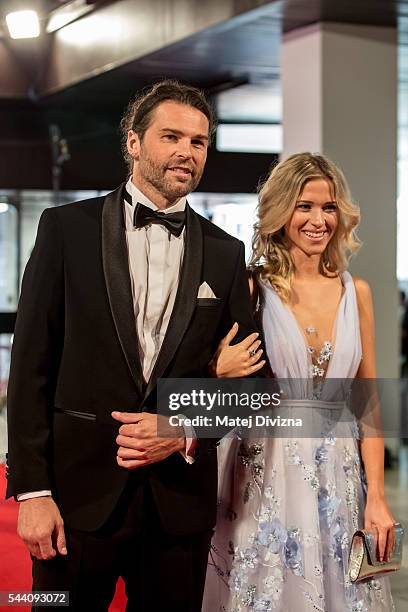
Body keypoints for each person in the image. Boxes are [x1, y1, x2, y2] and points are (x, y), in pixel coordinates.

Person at [5, 80, 265, 611]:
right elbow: (32, 367)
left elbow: (253, 388)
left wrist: (184, 427)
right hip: (74, 503)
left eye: (198, 142)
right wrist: (32, 494)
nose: (185, 153)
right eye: (171, 136)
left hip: (178, 509)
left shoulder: (225, 252)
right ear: (133, 142)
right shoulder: (65, 230)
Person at [203, 153, 396, 611]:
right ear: (280, 211)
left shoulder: (357, 292)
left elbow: (368, 401)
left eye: (328, 207)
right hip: (266, 465)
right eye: (304, 206)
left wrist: (379, 498)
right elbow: (219, 383)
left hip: (339, 468)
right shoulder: (252, 288)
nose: (318, 220)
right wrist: (215, 371)